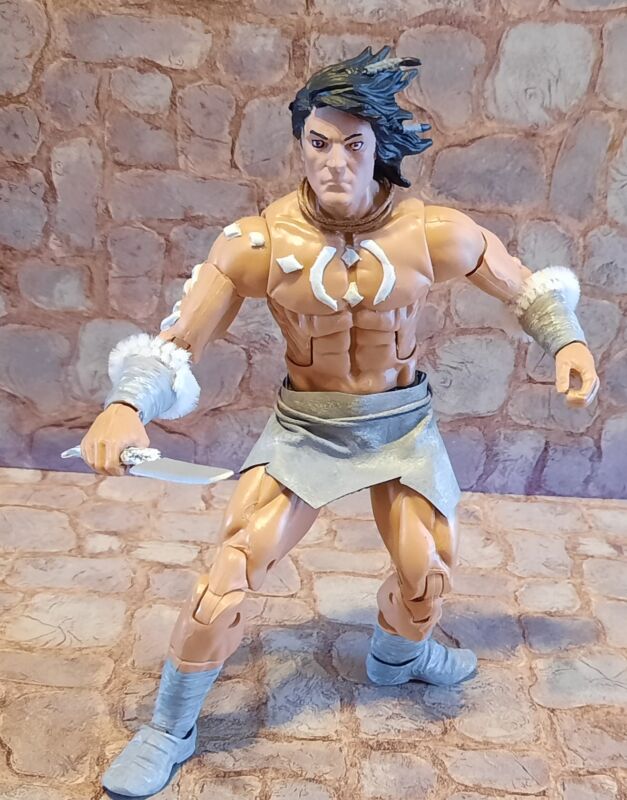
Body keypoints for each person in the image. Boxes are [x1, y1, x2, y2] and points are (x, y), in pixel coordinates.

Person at [80, 47, 599, 798]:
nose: (334, 162)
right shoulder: (257, 243)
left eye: (352, 144)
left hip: (401, 427)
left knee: (426, 574)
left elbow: (523, 285)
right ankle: (169, 726)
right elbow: (177, 342)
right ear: (300, 144)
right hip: (306, 429)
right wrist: (126, 405)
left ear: (378, 147)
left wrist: (567, 340)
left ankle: (398, 658)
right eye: (318, 143)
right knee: (226, 579)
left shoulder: (433, 233)